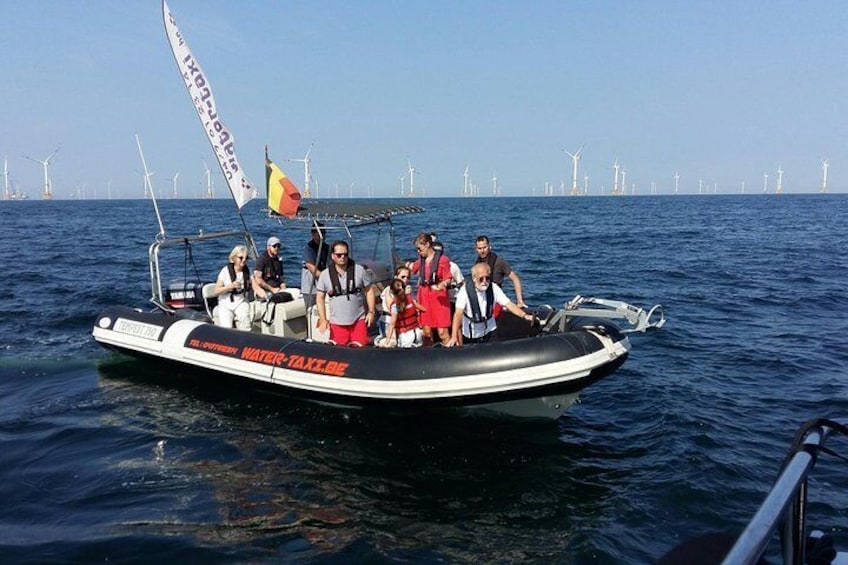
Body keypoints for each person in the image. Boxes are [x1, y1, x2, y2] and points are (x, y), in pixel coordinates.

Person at [447, 262, 534, 346]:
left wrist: (525, 315)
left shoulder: (493, 288)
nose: (484, 282)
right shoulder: (464, 291)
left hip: (490, 330)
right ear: (474, 278)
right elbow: (458, 314)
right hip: (471, 333)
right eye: (481, 278)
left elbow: (509, 304)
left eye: (487, 278)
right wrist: (454, 337)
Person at [315, 240, 376, 346]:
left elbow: (369, 290)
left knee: (361, 348)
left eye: (345, 254)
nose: (342, 257)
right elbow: (320, 298)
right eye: (339, 255)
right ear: (333, 256)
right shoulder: (325, 275)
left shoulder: (359, 270)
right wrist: (323, 319)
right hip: (337, 323)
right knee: (339, 352)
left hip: (358, 320)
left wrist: (371, 311)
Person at [406, 232, 452, 346]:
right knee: (426, 332)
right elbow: (412, 268)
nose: (418, 251)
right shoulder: (421, 260)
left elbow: (448, 278)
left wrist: (442, 285)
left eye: (419, 248)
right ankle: (429, 356)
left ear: (427, 244)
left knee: (442, 332)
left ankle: (450, 354)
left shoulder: (443, 260)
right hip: (424, 297)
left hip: (438, 298)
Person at [474, 235, 525, 307]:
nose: (482, 251)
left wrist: (520, 301)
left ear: (489, 246)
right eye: (479, 248)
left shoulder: (499, 261)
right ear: (476, 249)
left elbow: (515, 278)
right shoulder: (477, 264)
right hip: (481, 299)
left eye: (484, 247)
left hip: (495, 299)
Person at [214, 245, 253, 330]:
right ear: (234, 258)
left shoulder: (246, 272)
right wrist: (229, 287)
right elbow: (216, 291)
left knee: (245, 320)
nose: (244, 260)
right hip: (225, 303)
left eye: (246, 258)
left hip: (240, 301)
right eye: (241, 258)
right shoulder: (225, 271)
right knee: (226, 327)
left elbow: (250, 286)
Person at [383, 278, 425, 348]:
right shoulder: (411, 299)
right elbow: (423, 309)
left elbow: (392, 324)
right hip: (417, 333)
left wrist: (387, 341)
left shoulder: (395, 306)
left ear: (392, 291)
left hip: (406, 336)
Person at [300, 223, 329, 308]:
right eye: (320, 232)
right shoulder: (309, 248)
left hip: (322, 284)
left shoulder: (326, 247)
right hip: (311, 286)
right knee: (311, 309)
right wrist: (326, 277)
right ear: (313, 234)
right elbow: (311, 267)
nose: (323, 235)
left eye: (324, 232)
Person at [378, 266, 412, 338]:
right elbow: (390, 307)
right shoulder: (389, 290)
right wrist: (406, 295)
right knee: (392, 343)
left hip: (400, 321)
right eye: (403, 277)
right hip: (388, 321)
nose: (405, 279)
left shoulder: (405, 290)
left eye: (407, 277)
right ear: (396, 277)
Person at [253, 236, 286, 300]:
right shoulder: (262, 260)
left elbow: (281, 276)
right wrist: (272, 289)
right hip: (266, 290)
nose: (276, 248)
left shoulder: (278, 260)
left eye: (278, 246)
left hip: (277, 288)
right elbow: (258, 279)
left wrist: (282, 284)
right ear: (268, 247)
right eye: (274, 246)